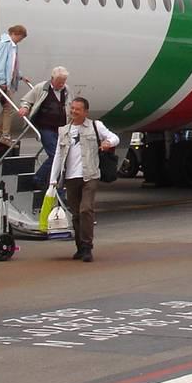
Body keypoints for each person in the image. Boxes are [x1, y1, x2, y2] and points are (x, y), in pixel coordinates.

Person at [47, 96, 119, 262]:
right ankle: (79, 247)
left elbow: (115, 137)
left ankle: (87, 247)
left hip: (90, 175)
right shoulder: (64, 130)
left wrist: (108, 142)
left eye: (77, 109)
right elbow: (58, 156)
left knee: (85, 209)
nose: (73, 112)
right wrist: (53, 179)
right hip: (71, 177)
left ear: (85, 112)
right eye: (72, 108)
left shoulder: (95, 126)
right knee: (76, 214)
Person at [20, 66, 70, 190]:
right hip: (46, 127)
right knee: (55, 155)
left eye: (64, 81)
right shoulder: (42, 87)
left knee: (62, 156)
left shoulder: (66, 90)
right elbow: (27, 100)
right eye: (59, 82)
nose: (62, 84)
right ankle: (39, 178)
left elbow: (69, 104)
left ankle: (51, 181)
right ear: (52, 79)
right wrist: (25, 108)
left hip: (61, 128)